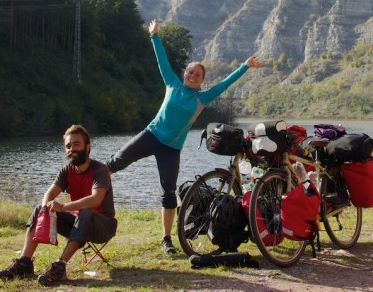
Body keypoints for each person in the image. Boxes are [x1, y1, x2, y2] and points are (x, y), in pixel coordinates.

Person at [107, 19, 262, 254]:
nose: (193, 75)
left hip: (171, 149)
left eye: (198, 74)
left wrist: (244, 66)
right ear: (184, 73)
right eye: (190, 71)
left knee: (168, 193)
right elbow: (162, 61)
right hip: (151, 135)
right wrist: (155, 36)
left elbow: (225, 83)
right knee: (116, 161)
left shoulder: (202, 98)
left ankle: (166, 239)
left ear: (201, 80)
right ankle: (87, 196)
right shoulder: (171, 84)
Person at [0, 124, 117, 287]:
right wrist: (46, 209)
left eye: (76, 144)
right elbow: (50, 194)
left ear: (87, 147)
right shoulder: (67, 170)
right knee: (40, 208)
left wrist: (63, 207)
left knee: (85, 212)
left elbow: (96, 199)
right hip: (79, 225)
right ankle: (24, 264)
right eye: (68, 146)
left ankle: (60, 267)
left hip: (103, 227)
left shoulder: (99, 169)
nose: (71, 149)